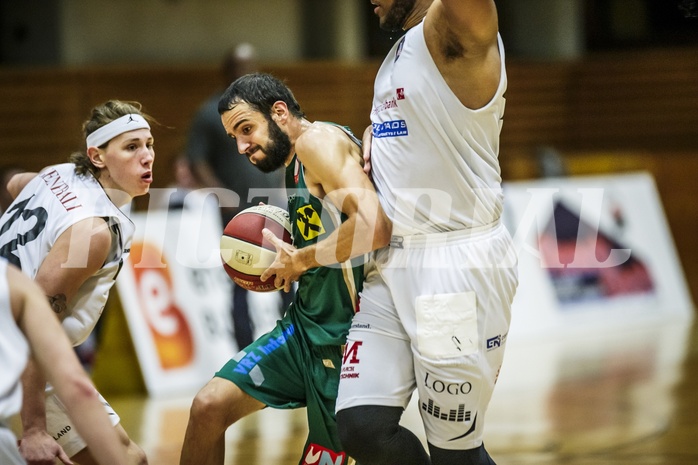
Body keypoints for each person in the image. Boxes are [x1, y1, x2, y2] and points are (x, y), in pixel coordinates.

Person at [334, 1, 519, 465]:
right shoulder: (401, 50)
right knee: (361, 428)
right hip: (392, 265)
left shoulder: (455, 31)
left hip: (451, 274)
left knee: (455, 456)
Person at [179, 73, 392, 465]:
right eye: (234, 138)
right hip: (301, 331)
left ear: (279, 112)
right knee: (208, 407)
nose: (242, 147)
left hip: (341, 342)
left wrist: (303, 259)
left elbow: (374, 226)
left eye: (247, 129)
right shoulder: (293, 161)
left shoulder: (317, 143)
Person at [0, 99, 154, 465]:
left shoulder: (59, 172)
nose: (147, 156)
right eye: (131, 147)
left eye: (148, 144)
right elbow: (34, 326)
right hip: (18, 349)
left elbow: (13, 183)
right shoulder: (93, 232)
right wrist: (35, 427)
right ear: (97, 157)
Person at [185, 43, 288, 351]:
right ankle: (244, 351)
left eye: (249, 67)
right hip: (238, 213)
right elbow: (195, 160)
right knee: (241, 283)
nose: (244, 73)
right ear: (226, 71)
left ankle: (293, 346)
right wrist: (219, 192)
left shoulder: (266, 110)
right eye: (238, 67)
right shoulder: (209, 113)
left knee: (287, 277)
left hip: (276, 208)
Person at [0, 257, 129, 465]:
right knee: (131, 458)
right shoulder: (14, 282)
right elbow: (76, 387)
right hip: (25, 387)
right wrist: (35, 429)